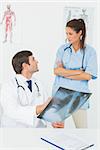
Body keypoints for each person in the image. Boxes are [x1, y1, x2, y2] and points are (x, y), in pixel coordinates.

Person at [0, 50, 64, 128]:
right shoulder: (8, 86)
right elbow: (12, 111)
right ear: (25, 65)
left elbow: (46, 107)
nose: (37, 61)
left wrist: (52, 122)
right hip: (15, 131)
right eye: (33, 59)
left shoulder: (38, 84)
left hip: (37, 130)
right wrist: (38, 109)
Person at [52, 18, 97, 128]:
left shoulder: (90, 52)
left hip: (79, 96)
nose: (67, 37)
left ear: (80, 33)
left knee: (82, 130)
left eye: (70, 34)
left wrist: (64, 72)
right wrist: (78, 72)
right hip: (60, 94)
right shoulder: (62, 50)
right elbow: (56, 71)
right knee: (58, 131)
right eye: (66, 33)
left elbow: (88, 75)